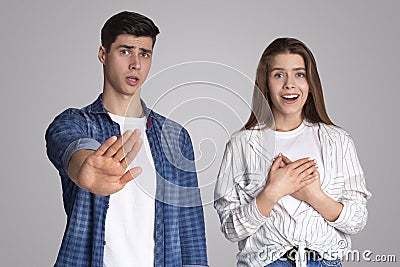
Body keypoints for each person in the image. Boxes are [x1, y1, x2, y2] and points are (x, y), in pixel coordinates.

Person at [45, 11, 208, 267]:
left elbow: (191, 229)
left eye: (144, 53)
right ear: (103, 54)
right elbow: (69, 145)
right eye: (125, 51)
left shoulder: (175, 137)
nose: (136, 64)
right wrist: (84, 166)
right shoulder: (75, 122)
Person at [214, 37, 371, 267]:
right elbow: (230, 229)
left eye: (299, 74)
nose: (289, 84)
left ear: (310, 82)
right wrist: (272, 192)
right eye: (279, 75)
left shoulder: (338, 141)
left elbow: (357, 221)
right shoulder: (242, 144)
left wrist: (313, 196)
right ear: (265, 83)